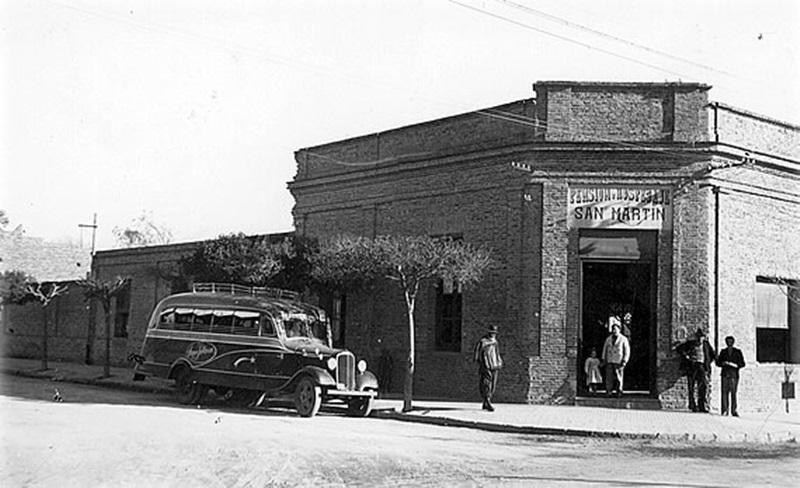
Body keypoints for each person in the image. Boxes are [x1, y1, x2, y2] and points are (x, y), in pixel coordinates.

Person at [677, 328, 717, 413]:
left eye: (701, 337)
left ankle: (701, 405)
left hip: (702, 366)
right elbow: (679, 349)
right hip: (692, 366)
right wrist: (686, 356)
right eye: (698, 337)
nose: (699, 339)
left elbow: (712, 354)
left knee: (703, 386)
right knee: (691, 387)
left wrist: (708, 363)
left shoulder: (706, 345)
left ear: (703, 338)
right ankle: (692, 405)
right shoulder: (691, 344)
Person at [473, 325, 503, 411]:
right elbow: (477, 353)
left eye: (494, 333)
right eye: (491, 333)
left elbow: (496, 353)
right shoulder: (483, 342)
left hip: (494, 365)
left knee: (493, 383)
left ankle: (486, 402)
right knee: (486, 383)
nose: (493, 335)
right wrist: (481, 363)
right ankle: (487, 400)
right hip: (486, 365)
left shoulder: (495, 342)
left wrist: (499, 361)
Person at [716, 335, 745, 416]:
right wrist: (723, 363)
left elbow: (742, 363)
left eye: (730, 342)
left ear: (733, 342)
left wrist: (735, 365)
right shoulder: (723, 351)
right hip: (725, 374)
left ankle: (734, 410)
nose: (729, 343)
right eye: (728, 342)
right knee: (724, 392)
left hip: (734, 375)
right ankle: (725, 410)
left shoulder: (737, 352)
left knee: (733, 393)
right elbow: (718, 363)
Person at [601, 320, 630, 397]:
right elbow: (605, 349)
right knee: (609, 377)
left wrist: (625, 360)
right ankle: (609, 391)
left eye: (616, 329)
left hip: (619, 360)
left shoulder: (623, 339)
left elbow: (627, 350)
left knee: (619, 377)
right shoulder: (608, 339)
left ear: (619, 330)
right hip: (610, 360)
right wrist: (604, 358)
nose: (614, 331)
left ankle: (619, 391)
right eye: (613, 329)